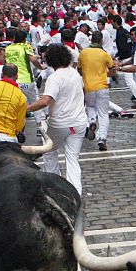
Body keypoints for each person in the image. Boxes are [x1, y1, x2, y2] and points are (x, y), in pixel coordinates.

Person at [26, 45, 88, 194]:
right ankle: (76, 191)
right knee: (72, 158)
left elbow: (45, 101)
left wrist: (26, 109)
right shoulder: (74, 73)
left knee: (49, 152)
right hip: (79, 122)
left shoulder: (55, 78)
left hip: (59, 123)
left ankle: (54, 186)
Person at [78, 30, 115, 151]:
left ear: (91, 39)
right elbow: (113, 71)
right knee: (103, 114)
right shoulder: (104, 54)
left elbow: (79, 70)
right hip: (102, 86)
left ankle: (92, 121)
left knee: (90, 107)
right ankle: (102, 138)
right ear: (101, 41)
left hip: (88, 86)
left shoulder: (83, 53)